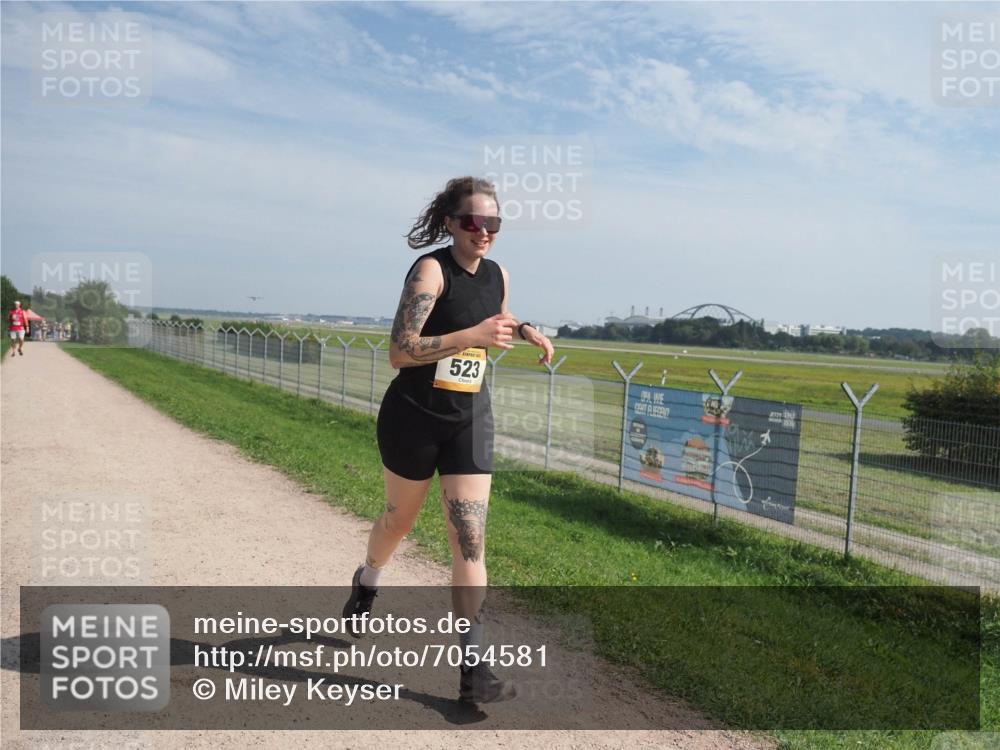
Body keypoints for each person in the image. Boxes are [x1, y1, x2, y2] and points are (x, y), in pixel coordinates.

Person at [341, 176, 554, 705]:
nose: (484, 231)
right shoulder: (430, 270)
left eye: (493, 222)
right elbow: (400, 350)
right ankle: (368, 579)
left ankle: (473, 668)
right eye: (472, 221)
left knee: (469, 535)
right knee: (399, 521)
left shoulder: (499, 274)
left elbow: (494, 318)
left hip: (469, 417)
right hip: (413, 417)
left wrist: (522, 328)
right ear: (450, 223)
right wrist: (471, 338)